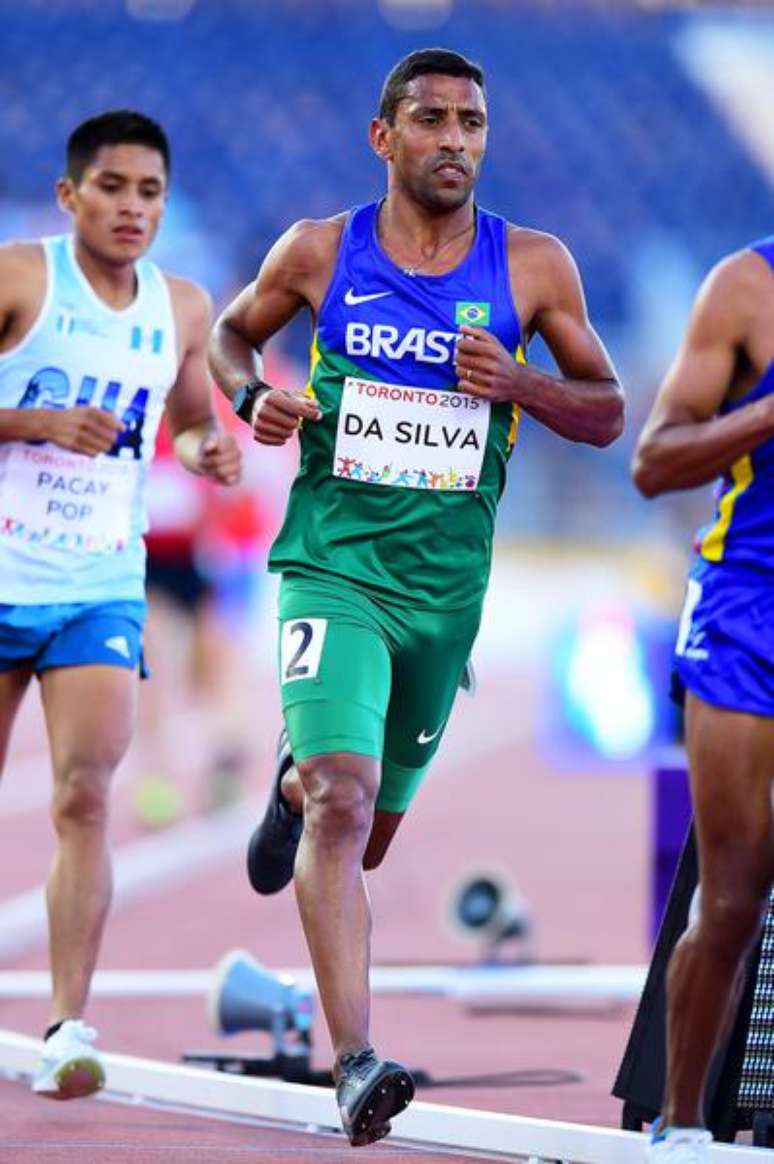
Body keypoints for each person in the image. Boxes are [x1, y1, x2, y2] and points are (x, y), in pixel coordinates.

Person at [208, 48, 623, 1147]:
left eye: (472, 121)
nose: (455, 139)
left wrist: (520, 381)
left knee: (364, 830)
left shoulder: (533, 266)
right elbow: (232, 331)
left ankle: (294, 790)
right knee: (350, 806)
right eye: (431, 118)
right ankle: (357, 1064)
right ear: (383, 137)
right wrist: (255, 395)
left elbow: (608, 409)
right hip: (333, 565)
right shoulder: (318, 248)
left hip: (445, 595)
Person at [0, 110, 241, 1099]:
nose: (132, 207)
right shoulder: (22, 276)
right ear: (71, 195)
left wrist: (207, 451)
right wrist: (35, 419)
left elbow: (186, 423)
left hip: (100, 581)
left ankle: (66, 1023)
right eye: (112, 188)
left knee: (85, 796)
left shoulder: (182, 306)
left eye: (149, 192)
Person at [632, 237, 774, 1163]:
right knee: (732, 895)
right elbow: (655, 460)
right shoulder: (746, 286)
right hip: (749, 614)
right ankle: (680, 1127)